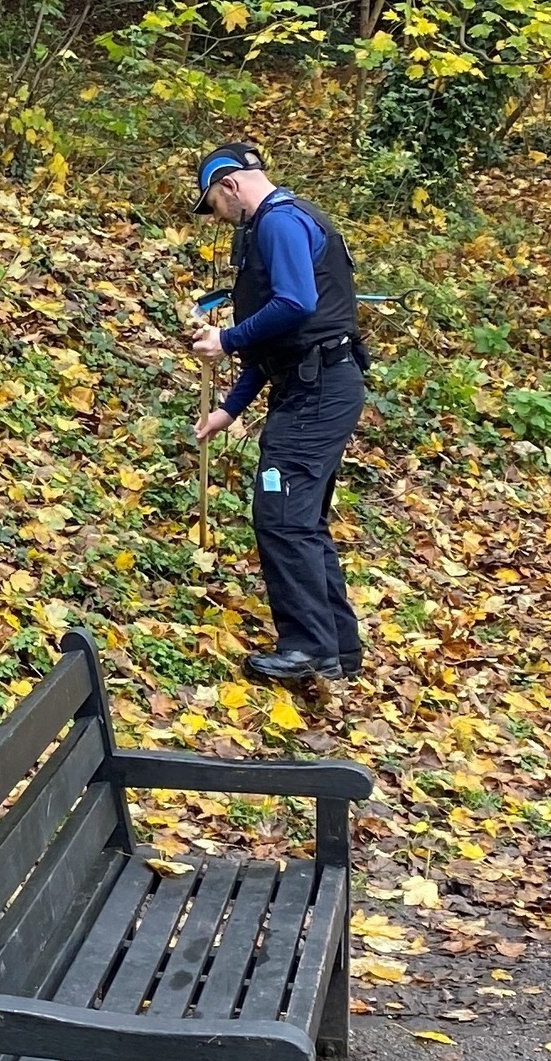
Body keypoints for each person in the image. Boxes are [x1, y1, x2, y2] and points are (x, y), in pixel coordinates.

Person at [189, 140, 368, 684]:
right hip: (312, 384)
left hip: (320, 391)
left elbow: (295, 305)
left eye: (214, 206)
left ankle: (307, 649)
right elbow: (284, 341)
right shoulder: (280, 223)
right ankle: (336, 650)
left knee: (282, 513)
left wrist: (227, 337)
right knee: (302, 519)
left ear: (231, 186)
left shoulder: (279, 223)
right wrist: (229, 409)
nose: (218, 218)